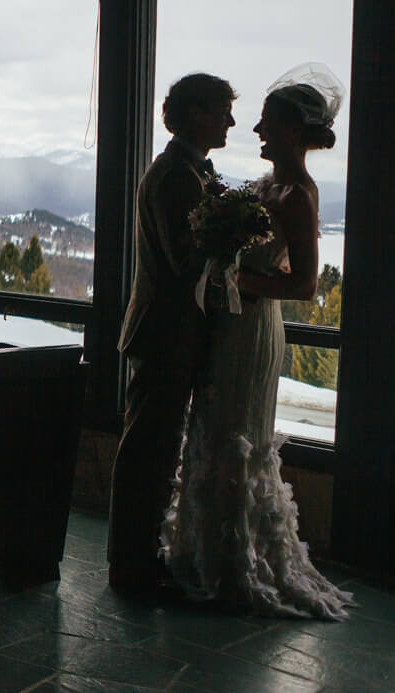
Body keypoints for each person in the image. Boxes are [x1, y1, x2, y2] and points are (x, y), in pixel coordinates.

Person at [162, 65, 352, 619]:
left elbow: (305, 285)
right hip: (231, 326)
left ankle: (235, 563)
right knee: (213, 430)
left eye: (266, 123)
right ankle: (204, 554)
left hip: (255, 328)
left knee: (236, 437)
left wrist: (235, 277)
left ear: (293, 131)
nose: (256, 131)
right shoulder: (265, 188)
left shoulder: (298, 197)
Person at [107, 72, 234, 601]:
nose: (230, 121)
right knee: (148, 453)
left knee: (155, 451)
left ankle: (139, 558)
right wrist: (231, 236)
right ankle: (131, 568)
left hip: (170, 332)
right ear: (197, 113)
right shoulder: (176, 177)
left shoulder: (187, 171)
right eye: (222, 110)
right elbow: (185, 263)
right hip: (165, 333)